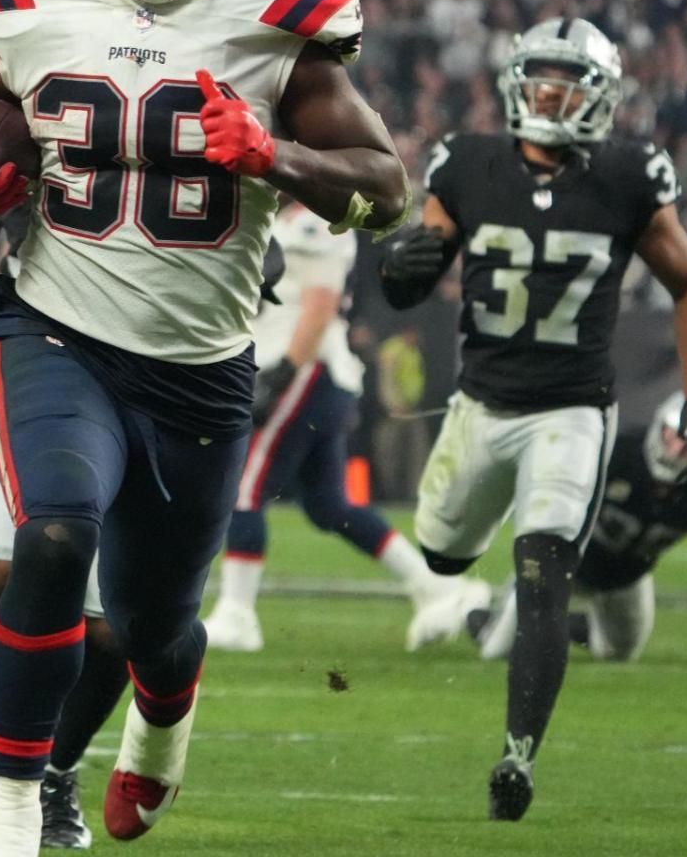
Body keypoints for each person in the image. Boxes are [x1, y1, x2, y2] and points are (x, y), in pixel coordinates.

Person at [0, 0, 409, 852]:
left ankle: (163, 727)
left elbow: (382, 188)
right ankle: (7, 820)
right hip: (55, 327)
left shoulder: (278, 12)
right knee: (52, 538)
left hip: (199, 367)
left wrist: (277, 156)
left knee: (151, 629)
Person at [379, 17, 687, 821]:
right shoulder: (467, 163)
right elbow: (411, 279)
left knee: (544, 574)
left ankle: (517, 758)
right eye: (541, 79)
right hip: (481, 405)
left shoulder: (631, 176)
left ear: (600, 97)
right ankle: (469, 595)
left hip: (571, 412)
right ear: (515, 84)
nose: (552, 96)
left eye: (569, 83)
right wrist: (400, 266)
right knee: (444, 550)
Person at [201, 200, 487, 654]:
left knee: (243, 486)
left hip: (304, 366)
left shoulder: (314, 221)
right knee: (328, 504)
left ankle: (237, 613)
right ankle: (432, 586)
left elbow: (319, 304)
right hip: (309, 369)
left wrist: (284, 373)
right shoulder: (290, 220)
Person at [0, 207, 127, 850]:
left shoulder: (193, 116)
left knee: (117, 627)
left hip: (155, 361)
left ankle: (53, 769)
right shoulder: (34, 108)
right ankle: (24, 776)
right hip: (38, 340)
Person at [466, 394, 687, 674]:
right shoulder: (617, 455)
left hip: (626, 580)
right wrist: (534, 573)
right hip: (564, 566)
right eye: (670, 434)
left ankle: (559, 627)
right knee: (497, 651)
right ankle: (468, 608)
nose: (675, 448)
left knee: (618, 652)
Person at [373, 327, 430, 507]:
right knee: (389, 452)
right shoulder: (392, 349)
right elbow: (386, 381)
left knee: (417, 451)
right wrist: (394, 404)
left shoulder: (413, 351)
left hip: (412, 410)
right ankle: (391, 494)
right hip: (394, 412)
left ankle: (413, 494)